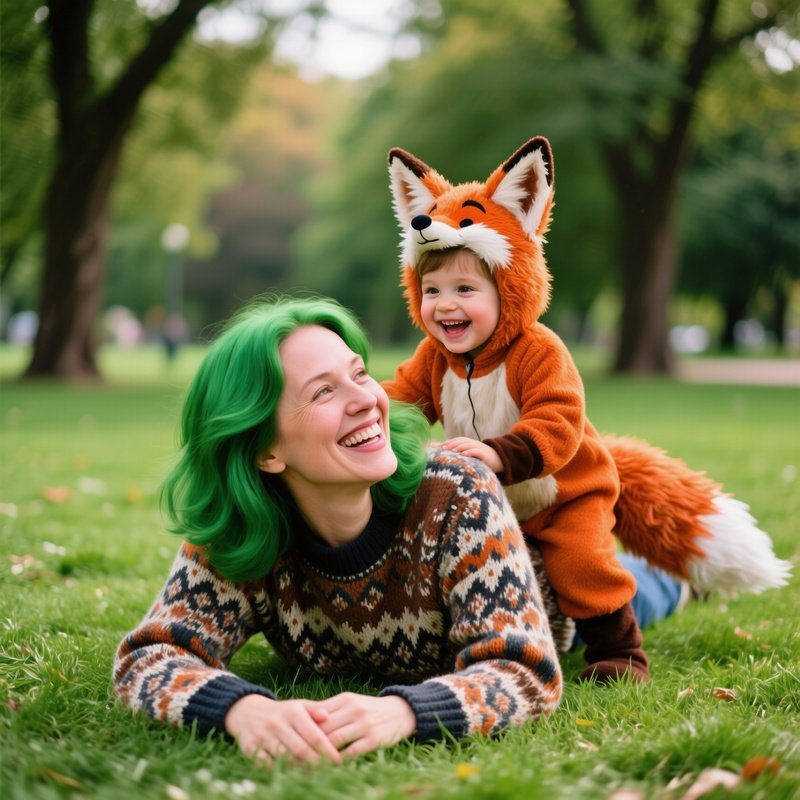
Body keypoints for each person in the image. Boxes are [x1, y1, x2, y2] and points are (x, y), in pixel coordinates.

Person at [113, 296, 564, 766]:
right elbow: (149, 656)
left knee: (641, 588)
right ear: (265, 450)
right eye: (324, 392)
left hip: (559, 597)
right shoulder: (243, 529)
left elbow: (524, 669)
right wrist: (239, 709)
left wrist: (404, 712)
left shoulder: (456, 492)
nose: (368, 399)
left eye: (359, 373)